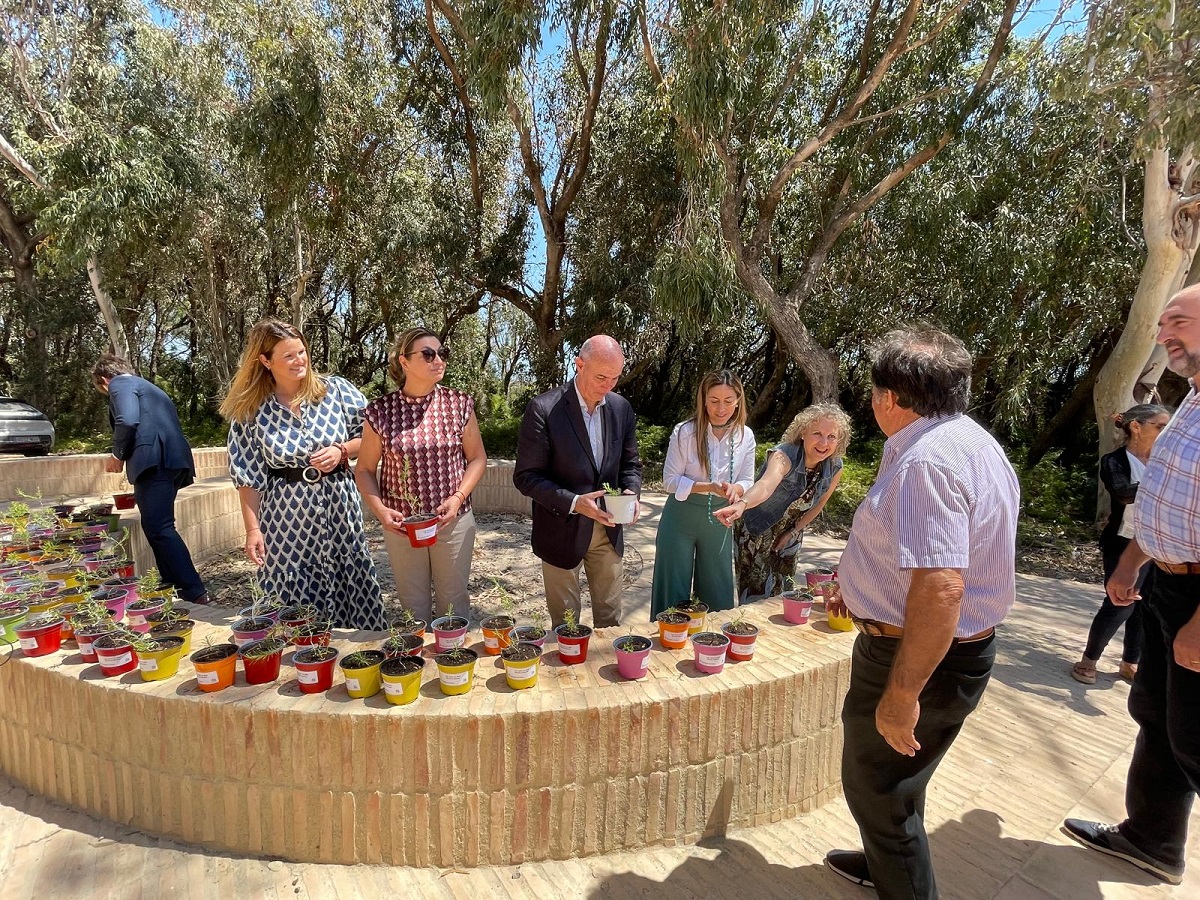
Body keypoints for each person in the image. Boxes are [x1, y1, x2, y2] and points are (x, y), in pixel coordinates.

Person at [822, 326, 1020, 899]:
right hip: (940, 648)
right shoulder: (967, 441)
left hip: (918, 656)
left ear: (890, 398)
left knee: (876, 789)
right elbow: (920, 557)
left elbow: (941, 587)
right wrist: (858, 585)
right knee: (898, 781)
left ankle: (900, 873)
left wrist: (902, 694)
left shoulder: (926, 463)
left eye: (874, 391)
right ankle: (888, 859)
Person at [1062, 284, 1200, 887]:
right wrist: (1133, 559)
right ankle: (1151, 841)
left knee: (1196, 739)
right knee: (1156, 716)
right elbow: (1173, 499)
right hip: (1166, 587)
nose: (1164, 331)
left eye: (1179, 320)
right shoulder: (1190, 402)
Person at [219, 319, 385, 631]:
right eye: (288, 356)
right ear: (265, 361)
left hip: (339, 505)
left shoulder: (336, 392)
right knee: (291, 592)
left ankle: (358, 651)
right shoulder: (251, 412)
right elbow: (248, 475)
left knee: (350, 570)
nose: (300, 361)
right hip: (287, 519)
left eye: (302, 352)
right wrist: (252, 530)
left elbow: (374, 437)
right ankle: (300, 658)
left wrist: (341, 449)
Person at [355, 328, 487, 623]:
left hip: (453, 521)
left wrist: (457, 497)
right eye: (428, 354)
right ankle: (418, 665)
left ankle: (452, 663)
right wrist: (380, 511)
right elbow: (364, 469)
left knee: (453, 603)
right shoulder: (380, 412)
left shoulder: (459, 404)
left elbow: (477, 458)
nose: (438, 360)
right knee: (412, 606)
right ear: (404, 361)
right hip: (403, 527)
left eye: (442, 353)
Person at [513, 335, 642, 629]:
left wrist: (631, 492)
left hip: (609, 528)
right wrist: (574, 503)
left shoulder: (621, 409)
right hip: (561, 529)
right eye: (601, 376)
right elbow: (525, 476)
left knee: (610, 621)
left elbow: (631, 464)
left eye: (615, 378)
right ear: (579, 365)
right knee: (566, 625)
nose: (608, 385)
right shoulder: (544, 409)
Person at [90, 355, 209, 604]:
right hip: (173, 459)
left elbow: (128, 419)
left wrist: (117, 455)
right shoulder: (148, 386)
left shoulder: (120, 384)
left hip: (154, 460)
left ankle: (193, 590)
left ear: (103, 380)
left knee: (161, 527)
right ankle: (173, 585)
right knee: (155, 526)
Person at [1071, 404, 1170, 684]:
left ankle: (1130, 662)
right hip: (1122, 543)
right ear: (1136, 427)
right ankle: (1088, 660)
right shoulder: (1114, 461)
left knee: (1145, 604)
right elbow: (1124, 493)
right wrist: (1167, 486)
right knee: (1120, 603)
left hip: (1157, 544)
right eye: (1160, 426)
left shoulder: (1167, 461)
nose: (1165, 433)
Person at [714, 404, 851, 601]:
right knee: (756, 595)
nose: (824, 442)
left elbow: (819, 504)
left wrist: (792, 532)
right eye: (817, 434)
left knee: (784, 593)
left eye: (831, 437)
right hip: (758, 530)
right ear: (803, 432)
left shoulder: (835, 466)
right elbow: (765, 485)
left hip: (792, 531)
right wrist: (742, 503)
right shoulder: (783, 455)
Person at [649, 370, 755, 619]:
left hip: (720, 518)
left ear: (738, 400)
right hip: (680, 517)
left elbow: (747, 480)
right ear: (703, 400)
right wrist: (707, 487)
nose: (721, 408)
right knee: (672, 588)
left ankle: (711, 646)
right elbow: (670, 482)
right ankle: (666, 642)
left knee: (718, 588)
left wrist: (735, 489)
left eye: (728, 401)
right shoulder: (684, 432)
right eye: (714, 401)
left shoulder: (745, 435)